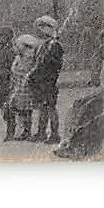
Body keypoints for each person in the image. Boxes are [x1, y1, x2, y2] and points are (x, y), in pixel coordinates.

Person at [29, 15, 65, 144]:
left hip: (48, 81)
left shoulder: (54, 45)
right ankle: (41, 132)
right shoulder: (42, 45)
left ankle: (55, 134)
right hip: (40, 81)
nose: (39, 31)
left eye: (42, 27)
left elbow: (54, 65)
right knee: (42, 108)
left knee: (50, 108)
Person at [8, 34, 41, 140]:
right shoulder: (18, 58)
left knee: (26, 110)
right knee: (19, 110)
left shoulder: (29, 60)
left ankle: (27, 131)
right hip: (17, 87)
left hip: (26, 88)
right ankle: (22, 131)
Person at [0, 27, 16, 140]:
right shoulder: (0, 50)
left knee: (8, 110)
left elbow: (12, 68)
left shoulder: (10, 51)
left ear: (8, 38)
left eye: (2, 36)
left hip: (6, 83)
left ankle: (10, 133)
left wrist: (0, 72)